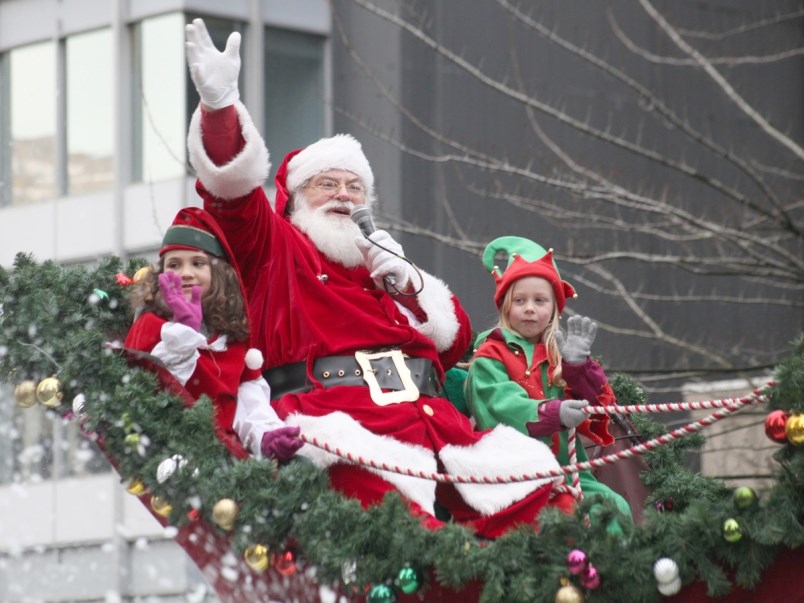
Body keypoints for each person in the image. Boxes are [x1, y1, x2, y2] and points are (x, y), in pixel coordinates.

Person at [182, 18, 574, 538]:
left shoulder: (384, 258)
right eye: (327, 185)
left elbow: (454, 341)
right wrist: (219, 106)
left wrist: (411, 287)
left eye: (355, 187)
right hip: (340, 427)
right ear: (297, 200)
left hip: (435, 428)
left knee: (544, 499)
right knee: (407, 537)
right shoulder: (278, 246)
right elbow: (231, 195)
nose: (344, 196)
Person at [464, 236, 633, 528]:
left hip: (567, 471)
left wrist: (579, 369)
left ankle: (601, 574)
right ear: (505, 307)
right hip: (510, 473)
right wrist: (552, 413)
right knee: (567, 517)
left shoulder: (559, 353)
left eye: (539, 300)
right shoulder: (490, 354)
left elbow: (599, 412)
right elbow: (497, 404)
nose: (530, 308)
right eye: (520, 300)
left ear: (554, 308)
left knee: (614, 508)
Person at [125, 207, 302, 462]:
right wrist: (183, 331)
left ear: (218, 274)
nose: (185, 272)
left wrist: (265, 435)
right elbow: (153, 395)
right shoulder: (150, 326)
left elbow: (246, 404)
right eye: (174, 265)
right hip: (173, 458)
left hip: (227, 461)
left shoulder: (232, 338)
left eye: (198, 263)